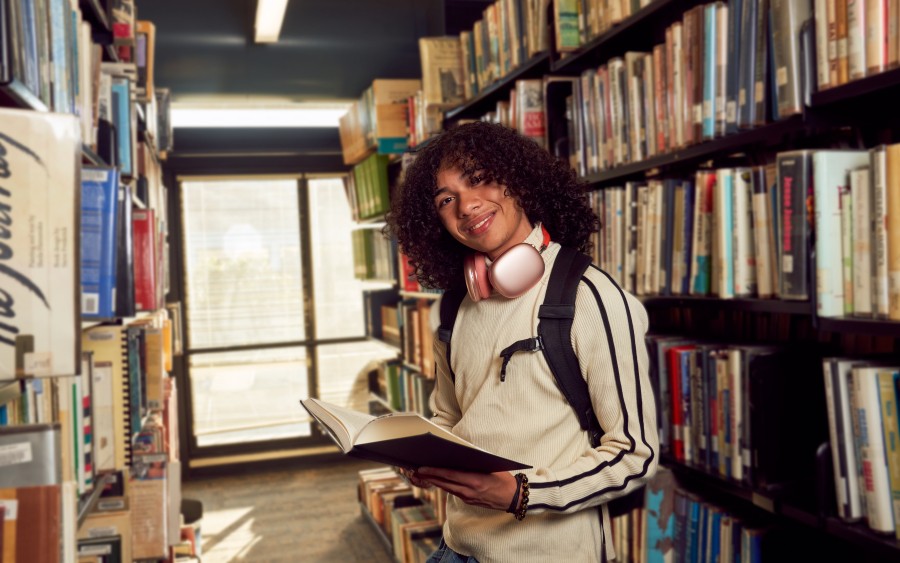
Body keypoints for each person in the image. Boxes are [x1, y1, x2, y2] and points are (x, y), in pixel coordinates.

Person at [385, 121, 658, 563]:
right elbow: (450, 417)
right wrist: (423, 455)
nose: (467, 206)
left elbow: (634, 456)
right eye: (446, 199)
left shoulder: (588, 297)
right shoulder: (456, 305)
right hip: (456, 547)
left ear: (518, 180)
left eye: (478, 179)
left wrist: (521, 493)